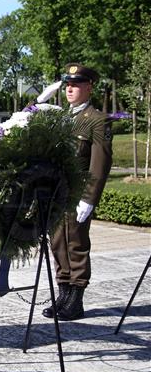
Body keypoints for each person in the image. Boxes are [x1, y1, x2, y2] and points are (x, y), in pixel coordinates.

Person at [44, 63, 112, 322]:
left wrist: (89, 198)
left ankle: (76, 300)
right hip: (57, 194)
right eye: (67, 85)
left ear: (89, 87)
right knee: (58, 242)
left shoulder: (97, 120)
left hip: (78, 194)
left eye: (75, 84)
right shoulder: (63, 117)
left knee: (76, 244)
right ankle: (63, 294)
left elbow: (100, 163)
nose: (70, 89)